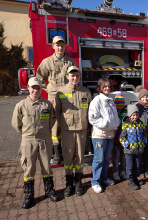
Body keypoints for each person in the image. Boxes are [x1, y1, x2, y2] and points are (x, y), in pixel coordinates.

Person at [12, 77, 58, 209]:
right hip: (28, 141)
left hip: (45, 140)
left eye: (38, 88)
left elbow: (52, 120)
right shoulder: (21, 105)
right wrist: (26, 134)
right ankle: (29, 195)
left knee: (46, 167)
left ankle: (49, 191)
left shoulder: (47, 104)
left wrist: (45, 133)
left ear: (40, 89)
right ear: (28, 88)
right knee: (29, 168)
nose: (35, 90)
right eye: (33, 87)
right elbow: (16, 124)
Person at [36, 35, 78, 165]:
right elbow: (39, 78)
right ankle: (56, 151)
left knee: (69, 121)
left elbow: (75, 77)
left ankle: (69, 150)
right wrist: (49, 90)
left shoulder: (71, 62)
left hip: (68, 97)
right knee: (54, 124)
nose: (60, 47)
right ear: (53, 46)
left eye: (62, 45)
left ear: (65, 46)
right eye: (57, 45)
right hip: (54, 97)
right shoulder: (46, 62)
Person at [54, 66, 92, 197]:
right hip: (67, 131)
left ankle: (78, 183)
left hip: (82, 130)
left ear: (80, 77)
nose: (75, 78)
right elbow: (57, 113)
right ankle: (69, 184)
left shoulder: (86, 92)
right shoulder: (61, 92)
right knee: (68, 157)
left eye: (77, 76)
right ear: (67, 76)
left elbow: (89, 113)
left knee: (80, 157)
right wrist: (63, 125)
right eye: (72, 76)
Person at [88, 78, 120, 193]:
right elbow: (92, 118)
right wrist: (107, 125)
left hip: (110, 135)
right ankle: (95, 181)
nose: (107, 88)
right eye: (105, 86)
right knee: (98, 159)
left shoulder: (110, 101)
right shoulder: (96, 101)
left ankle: (104, 178)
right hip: (99, 135)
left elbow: (114, 117)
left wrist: (116, 124)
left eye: (109, 86)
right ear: (100, 88)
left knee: (106, 159)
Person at [120, 104, 147, 190]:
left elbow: (144, 134)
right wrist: (127, 145)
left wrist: (144, 142)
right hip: (129, 151)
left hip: (139, 149)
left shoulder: (141, 124)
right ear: (130, 115)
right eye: (133, 115)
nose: (135, 117)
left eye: (137, 115)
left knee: (137, 165)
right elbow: (122, 137)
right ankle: (130, 180)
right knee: (130, 166)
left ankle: (135, 178)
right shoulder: (126, 124)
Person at [112, 92, 128, 181]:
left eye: (121, 105)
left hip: (124, 138)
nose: (120, 107)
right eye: (118, 105)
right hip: (116, 139)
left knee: (124, 156)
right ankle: (115, 172)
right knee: (116, 156)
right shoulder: (113, 112)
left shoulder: (126, 112)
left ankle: (123, 171)